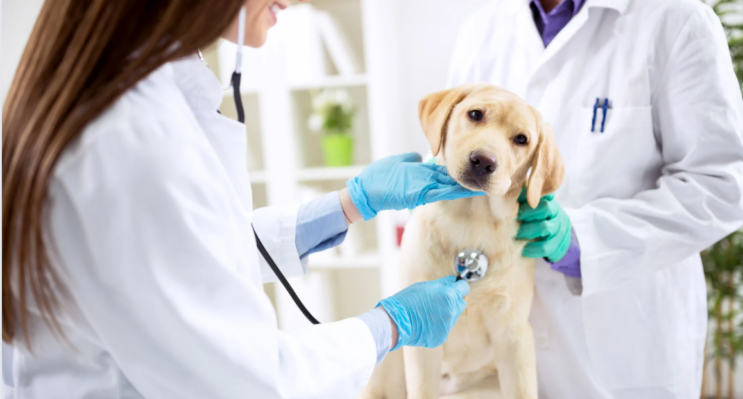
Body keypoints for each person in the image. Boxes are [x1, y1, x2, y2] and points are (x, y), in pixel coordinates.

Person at [1, 1, 483, 398]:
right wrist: (391, 326)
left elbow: (189, 258)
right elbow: (253, 384)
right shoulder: (129, 141)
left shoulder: (148, 94)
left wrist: (348, 205)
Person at [446, 0, 743, 397]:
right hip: (496, 362)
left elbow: (719, 185)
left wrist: (582, 241)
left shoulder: (675, 18)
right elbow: (457, 154)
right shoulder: (482, 29)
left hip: (624, 353)